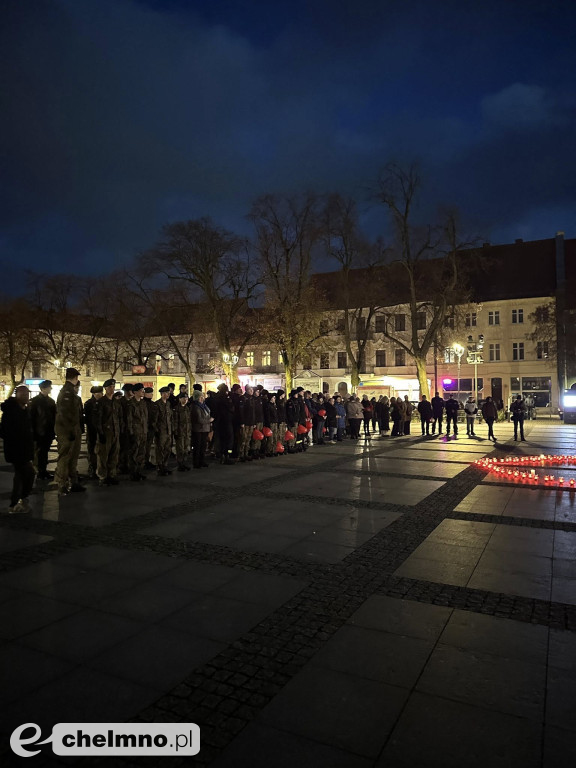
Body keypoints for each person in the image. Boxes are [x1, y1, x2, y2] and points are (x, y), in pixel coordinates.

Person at [1, 385, 35, 514]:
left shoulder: (24, 410)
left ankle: (18, 502)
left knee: (22, 475)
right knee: (26, 474)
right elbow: (5, 431)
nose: (26, 397)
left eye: (27, 395)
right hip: (16, 449)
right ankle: (17, 502)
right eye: (23, 395)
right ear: (17, 396)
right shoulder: (11, 412)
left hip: (24, 449)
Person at [52, 367, 86, 495]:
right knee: (65, 457)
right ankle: (62, 484)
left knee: (73, 457)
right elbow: (65, 414)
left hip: (73, 430)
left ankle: (73, 482)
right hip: (67, 431)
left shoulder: (70, 391)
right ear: (75, 378)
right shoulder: (67, 392)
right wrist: (70, 430)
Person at [95, 379, 122, 486]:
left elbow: (119, 417)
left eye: (113, 387)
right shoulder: (101, 402)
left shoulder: (115, 402)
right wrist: (100, 433)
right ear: (105, 388)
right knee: (103, 456)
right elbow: (98, 419)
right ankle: (102, 477)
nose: (112, 389)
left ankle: (111, 475)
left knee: (114, 455)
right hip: (106, 433)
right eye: (110, 387)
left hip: (115, 432)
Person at [29, 379, 56, 480]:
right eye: (49, 387)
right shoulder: (35, 401)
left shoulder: (51, 401)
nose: (51, 389)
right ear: (43, 389)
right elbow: (31, 418)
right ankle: (39, 471)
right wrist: (33, 432)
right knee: (39, 453)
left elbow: (54, 417)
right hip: (38, 432)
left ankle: (43, 471)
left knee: (44, 452)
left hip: (48, 431)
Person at [127, 383, 148, 481]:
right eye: (141, 390)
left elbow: (145, 417)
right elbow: (129, 419)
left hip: (143, 431)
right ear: (135, 392)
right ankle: (133, 472)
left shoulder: (143, 403)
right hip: (135, 432)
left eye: (143, 390)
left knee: (141, 452)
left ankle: (139, 471)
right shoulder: (131, 404)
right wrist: (131, 432)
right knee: (134, 453)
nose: (143, 392)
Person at [84, 385, 103, 479]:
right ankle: (92, 469)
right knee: (92, 451)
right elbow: (88, 418)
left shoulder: (102, 403)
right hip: (92, 430)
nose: (101, 395)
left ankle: (99, 469)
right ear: (94, 394)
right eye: (99, 393)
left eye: (101, 393)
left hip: (100, 430)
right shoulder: (89, 404)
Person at [212, 383, 235, 464]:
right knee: (228, 439)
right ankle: (227, 455)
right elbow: (232, 408)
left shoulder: (216, 398)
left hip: (219, 422)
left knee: (221, 440)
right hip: (226, 421)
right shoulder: (226, 399)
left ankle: (222, 455)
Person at [190, 389, 212, 468]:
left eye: (203, 396)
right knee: (197, 446)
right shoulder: (195, 407)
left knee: (203, 446)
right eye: (200, 397)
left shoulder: (204, 406)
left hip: (205, 429)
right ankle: (196, 462)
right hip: (198, 429)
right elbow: (199, 419)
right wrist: (209, 421)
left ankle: (202, 461)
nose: (202, 398)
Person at [155, 386, 174, 475]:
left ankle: (165, 465)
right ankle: (160, 467)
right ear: (162, 394)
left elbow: (170, 417)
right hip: (161, 430)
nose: (168, 394)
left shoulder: (168, 404)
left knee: (167, 449)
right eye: (166, 393)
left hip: (168, 430)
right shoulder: (157, 404)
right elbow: (155, 420)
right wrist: (157, 430)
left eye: (169, 393)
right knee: (160, 449)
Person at [173, 392, 192, 470]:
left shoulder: (187, 408)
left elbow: (189, 421)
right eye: (184, 398)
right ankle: (180, 464)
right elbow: (175, 421)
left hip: (187, 431)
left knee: (186, 448)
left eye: (186, 398)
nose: (185, 400)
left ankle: (184, 462)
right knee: (180, 449)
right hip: (180, 431)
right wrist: (175, 432)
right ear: (180, 399)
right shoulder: (177, 409)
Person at [143, 386, 158, 469]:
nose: (151, 394)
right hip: (144, 428)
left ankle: (146, 461)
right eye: (149, 393)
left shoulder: (153, 404)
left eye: (152, 393)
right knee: (143, 446)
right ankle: (143, 462)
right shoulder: (142, 403)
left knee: (148, 446)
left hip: (151, 428)